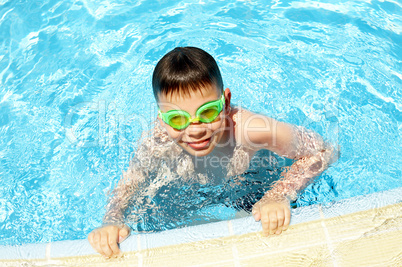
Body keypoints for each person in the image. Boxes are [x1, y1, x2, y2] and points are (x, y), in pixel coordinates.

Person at [88, 46, 338, 258]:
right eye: (177, 118)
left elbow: (325, 150)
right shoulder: (157, 139)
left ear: (226, 102)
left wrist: (279, 194)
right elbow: (130, 184)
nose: (195, 130)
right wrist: (112, 220)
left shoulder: (250, 130)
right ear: (162, 119)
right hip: (194, 191)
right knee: (149, 222)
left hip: (252, 186)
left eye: (207, 112)